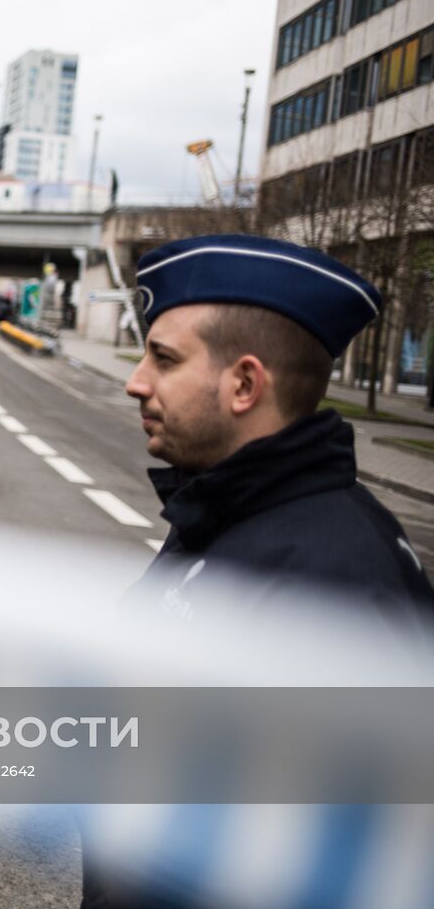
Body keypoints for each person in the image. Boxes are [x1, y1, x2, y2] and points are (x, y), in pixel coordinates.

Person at [81, 233, 434, 909]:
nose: (135, 380)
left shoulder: (334, 589)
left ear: (244, 383)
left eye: (163, 358)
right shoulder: (229, 513)